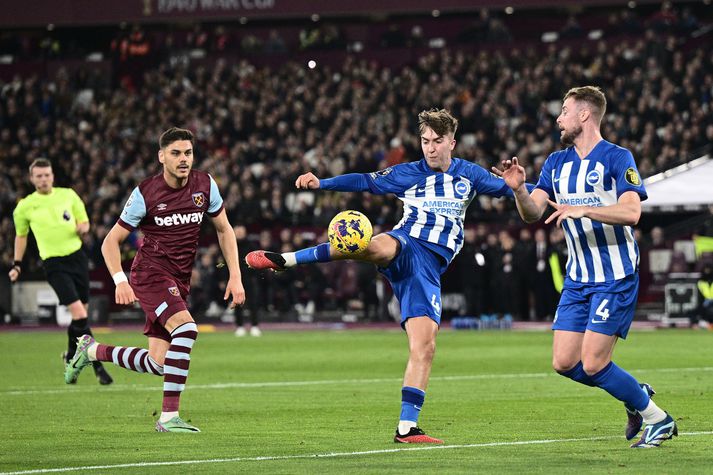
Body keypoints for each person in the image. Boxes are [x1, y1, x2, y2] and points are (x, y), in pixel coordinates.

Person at [246, 108, 519, 444]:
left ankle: (407, 427)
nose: (430, 148)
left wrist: (537, 192)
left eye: (437, 141)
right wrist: (322, 183)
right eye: (424, 141)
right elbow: (364, 179)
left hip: (430, 268)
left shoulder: (470, 175)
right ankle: (286, 259)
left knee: (425, 346)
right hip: (408, 243)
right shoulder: (407, 173)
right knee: (373, 245)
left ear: (452, 142)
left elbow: (515, 190)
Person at [492, 86, 677, 448]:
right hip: (579, 278)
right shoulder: (556, 164)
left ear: (584, 115)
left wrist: (584, 209)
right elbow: (533, 214)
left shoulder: (617, 157)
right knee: (563, 362)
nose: (558, 118)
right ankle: (635, 395)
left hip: (615, 276)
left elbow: (632, 212)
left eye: (564, 110)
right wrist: (518, 191)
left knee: (593, 363)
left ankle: (660, 419)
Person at [64, 127, 246, 432]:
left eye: (187, 152)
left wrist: (235, 276)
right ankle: (168, 418)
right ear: (161, 157)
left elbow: (225, 229)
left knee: (159, 362)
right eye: (175, 153)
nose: (183, 159)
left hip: (179, 279)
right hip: (149, 274)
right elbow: (110, 241)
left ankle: (91, 350)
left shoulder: (205, 185)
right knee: (186, 330)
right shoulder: (145, 193)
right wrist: (120, 280)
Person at [10, 158, 113, 385]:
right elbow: (21, 236)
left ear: (52, 176)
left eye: (47, 174)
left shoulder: (68, 195)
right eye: (39, 176)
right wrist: (17, 264)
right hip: (53, 263)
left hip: (77, 258)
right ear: (32, 178)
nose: (43, 179)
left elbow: (85, 223)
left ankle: (69, 357)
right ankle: (98, 367)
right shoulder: (25, 206)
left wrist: (82, 229)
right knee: (80, 315)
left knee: (79, 320)